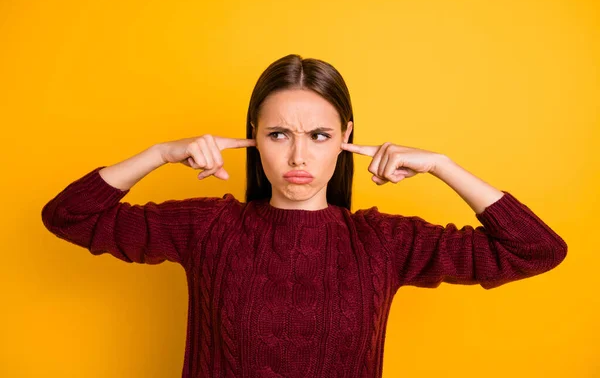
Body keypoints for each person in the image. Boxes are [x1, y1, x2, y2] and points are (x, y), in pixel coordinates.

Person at [41, 54, 568, 378]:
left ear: (345, 140)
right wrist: (159, 153)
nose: (298, 157)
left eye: (318, 136)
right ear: (254, 138)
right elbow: (68, 216)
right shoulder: (209, 228)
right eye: (278, 135)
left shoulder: (382, 242)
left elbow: (536, 249)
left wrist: (443, 166)